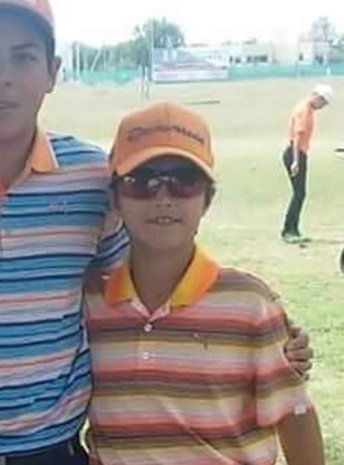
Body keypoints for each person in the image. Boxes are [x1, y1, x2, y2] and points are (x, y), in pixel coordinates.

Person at [0, 2, 314, 464]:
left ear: (53, 72)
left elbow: (132, 292)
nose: (1, 76)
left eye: (24, 57)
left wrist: (264, 338)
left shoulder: (87, 175)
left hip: (51, 454)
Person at [86, 102, 325, 465]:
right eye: (141, 181)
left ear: (207, 198)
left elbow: (294, 416)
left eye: (184, 181)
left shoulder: (249, 305)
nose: (163, 198)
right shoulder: (88, 303)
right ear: (115, 198)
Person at [281, 84, 333, 243]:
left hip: (297, 153)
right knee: (299, 193)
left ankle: (293, 228)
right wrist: (296, 161)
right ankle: (288, 230)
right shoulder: (304, 111)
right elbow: (297, 137)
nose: (322, 107)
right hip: (295, 153)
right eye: (323, 103)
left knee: (300, 193)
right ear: (318, 97)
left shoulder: (306, 108)